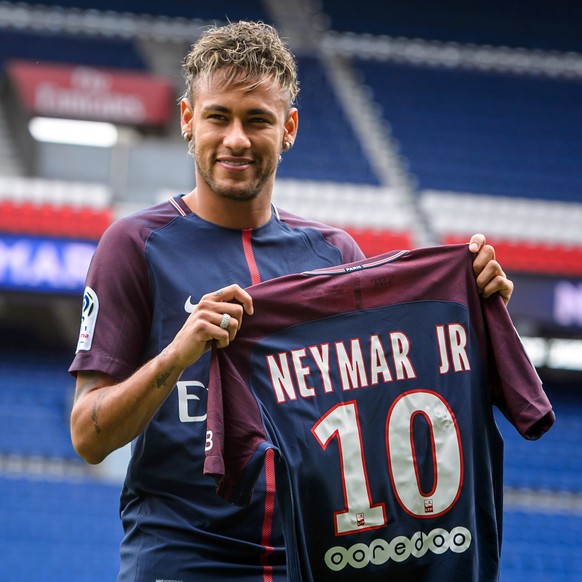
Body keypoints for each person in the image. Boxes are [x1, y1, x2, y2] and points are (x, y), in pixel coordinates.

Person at [69, 20, 514, 581]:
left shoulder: (335, 254)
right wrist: (178, 354)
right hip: (182, 559)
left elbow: (398, 397)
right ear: (188, 120)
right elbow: (88, 435)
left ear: (289, 129)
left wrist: (473, 309)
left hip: (315, 561)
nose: (236, 138)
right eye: (218, 116)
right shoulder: (134, 246)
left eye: (257, 119)